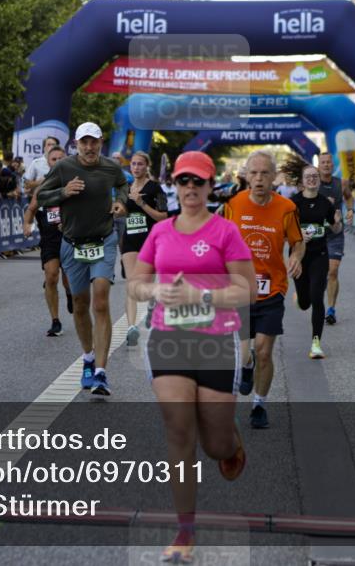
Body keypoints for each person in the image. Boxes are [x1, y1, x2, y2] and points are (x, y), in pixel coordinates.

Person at [127, 151, 256, 563]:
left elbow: (246, 291)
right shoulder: (161, 231)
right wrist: (156, 293)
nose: (190, 190)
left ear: (209, 186)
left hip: (216, 342)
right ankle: (185, 531)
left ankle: (229, 439)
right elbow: (135, 284)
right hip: (169, 340)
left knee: (215, 447)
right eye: (183, 182)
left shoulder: (225, 232)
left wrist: (200, 295)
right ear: (175, 186)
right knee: (179, 432)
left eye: (198, 183)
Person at [37, 122, 128, 395]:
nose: (89, 147)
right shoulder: (64, 167)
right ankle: (88, 357)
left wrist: (121, 202)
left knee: (100, 298)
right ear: (76, 144)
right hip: (72, 244)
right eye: (84, 142)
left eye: (94, 142)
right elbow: (40, 196)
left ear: (101, 143)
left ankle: (100, 372)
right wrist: (63, 192)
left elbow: (123, 184)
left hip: (103, 239)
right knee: (80, 303)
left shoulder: (111, 167)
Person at [223, 151, 304, 428]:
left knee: (265, 350)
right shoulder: (233, 204)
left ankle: (259, 404)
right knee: (246, 352)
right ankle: (246, 366)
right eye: (253, 173)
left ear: (274, 177)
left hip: (272, 289)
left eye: (264, 173)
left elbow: (298, 241)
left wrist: (296, 256)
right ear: (246, 175)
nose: (258, 178)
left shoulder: (286, 208)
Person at [290, 165, 342, 359]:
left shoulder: (325, 203)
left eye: (315, 176)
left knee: (317, 297)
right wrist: (297, 235)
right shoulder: (292, 203)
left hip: (320, 255)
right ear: (302, 181)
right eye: (308, 177)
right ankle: (300, 298)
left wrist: (337, 222)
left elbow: (335, 229)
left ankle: (316, 343)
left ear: (319, 180)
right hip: (298, 256)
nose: (312, 179)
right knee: (305, 303)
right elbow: (283, 233)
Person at [24, 145, 74, 336]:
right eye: (54, 159)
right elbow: (31, 209)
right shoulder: (43, 188)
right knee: (51, 276)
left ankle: (69, 293)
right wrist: (27, 224)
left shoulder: (73, 183)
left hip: (70, 237)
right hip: (49, 238)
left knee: (68, 277)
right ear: (48, 162)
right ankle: (55, 320)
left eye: (61, 159)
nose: (58, 162)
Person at [120, 151, 168, 346]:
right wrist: (117, 211)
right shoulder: (126, 188)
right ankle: (131, 327)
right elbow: (122, 210)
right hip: (130, 238)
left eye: (140, 164)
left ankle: (153, 310)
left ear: (147, 166)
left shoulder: (156, 189)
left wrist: (142, 204)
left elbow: (163, 217)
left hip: (151, 239)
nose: (136, 167)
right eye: (133, 164)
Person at [318, 153, 347, 325]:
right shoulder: (312, 184)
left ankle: (331, 309)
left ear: (332, 163)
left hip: (335, 233)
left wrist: (350, 210)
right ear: (319, 165)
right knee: (318, 274)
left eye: (329, 162)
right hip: (317, 234)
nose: (326, 165)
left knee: (332, 271)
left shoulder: (340, 183)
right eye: (323, 162)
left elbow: (349, 197)